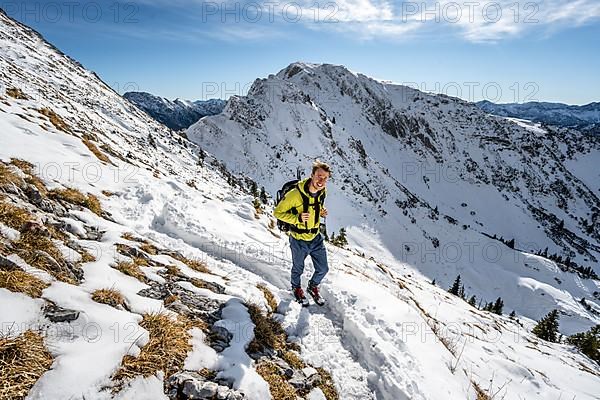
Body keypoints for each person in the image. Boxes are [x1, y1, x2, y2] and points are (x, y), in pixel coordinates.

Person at [273, 161, 331, 306]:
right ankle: (297, 288)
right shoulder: (294, 195)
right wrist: (297, 218)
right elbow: (278, 212)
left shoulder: (322, 192)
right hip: (298, 239)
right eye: (319, 176)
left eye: (325, 178)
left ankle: (312, 287)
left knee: (323, 268)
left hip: (316, 238)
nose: (321, 181)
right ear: (312, 175)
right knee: (298, 268)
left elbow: (314, 206)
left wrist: (321, 212)